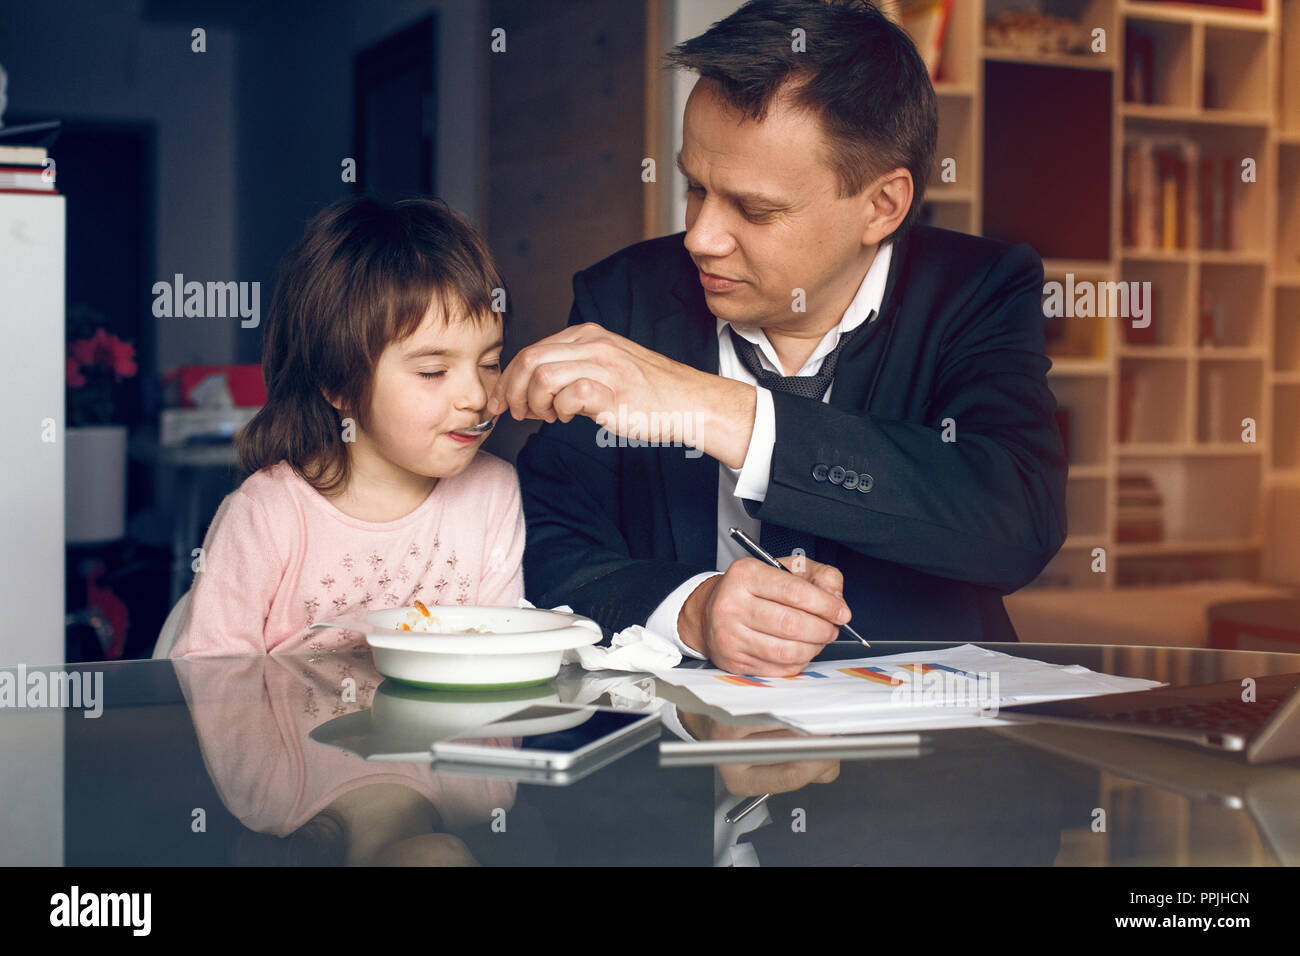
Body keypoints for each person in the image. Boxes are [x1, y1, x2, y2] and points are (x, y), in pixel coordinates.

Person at [498, 0, 1067, 676]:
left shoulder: (977, 290)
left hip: (912, 743)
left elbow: (1015, 520)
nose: (701, 238)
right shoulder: (623, 295)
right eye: (695, 187)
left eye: (755, 208)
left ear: (882, 205)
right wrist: (691, 611)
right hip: (675, 743)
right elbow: (542, 537)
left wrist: (725, 413)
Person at [170, 198, 524, 657]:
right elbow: (210, 683)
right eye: (433, 371)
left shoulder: (492, 493)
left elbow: (501, 660)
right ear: (338, 383)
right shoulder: (270, 514)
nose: (476, 396)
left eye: (490, 363)